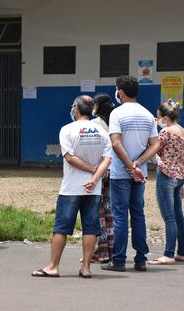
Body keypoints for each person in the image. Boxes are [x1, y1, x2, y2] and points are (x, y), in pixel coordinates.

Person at [32, 95, 111, 278]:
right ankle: (86, 268)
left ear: (75, 108)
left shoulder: (67, 130)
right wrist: (95, 177)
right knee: (91, 228)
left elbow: (69, 157)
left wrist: (91, 169)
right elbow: (107, 160)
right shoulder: (102, 132)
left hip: (71, 189)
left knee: (61, 227)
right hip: (94, 189)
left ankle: (53, 266)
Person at [101, 75, 160, 272]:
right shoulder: (147, 114)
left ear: (121, 92)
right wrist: (138, 164)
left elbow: (116, 143)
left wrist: (129, 166)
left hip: (121, 173)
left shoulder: (117, 114)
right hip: (139, 174)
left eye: (117, 89)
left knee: (119, 217)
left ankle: (118, 260)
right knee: (138, 215)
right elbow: (155, 144)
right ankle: (141, 259)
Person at [149, 99, 184, 265]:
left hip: (166, 174)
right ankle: (182, 252)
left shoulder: (165, 132)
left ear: (165, 117)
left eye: (158, 117)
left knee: (169, 217)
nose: (157, 120)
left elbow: (154, 148)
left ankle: (168, 254)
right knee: (179, 216)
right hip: (180, 176)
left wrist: (151, 129)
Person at [90, 93, 115, 263]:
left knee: (97, 213)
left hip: (99, 171)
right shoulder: (116, 123)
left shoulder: (94, 125)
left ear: (98, 106)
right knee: (110, 212)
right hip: (114, 172)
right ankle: (112, 250)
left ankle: (100, 251)